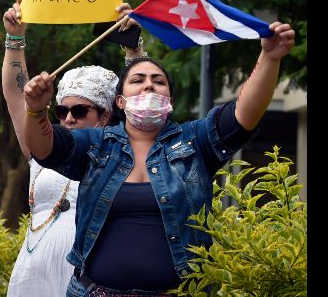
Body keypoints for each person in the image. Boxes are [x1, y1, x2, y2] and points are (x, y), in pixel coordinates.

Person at [20, 18, 296, 297]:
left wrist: (269, 58)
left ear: (170, 100)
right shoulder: (96, 143)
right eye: (137, 80)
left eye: (158, 81)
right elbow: (44, 148)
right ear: (120, 101)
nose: (149, 85)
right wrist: (35, 111)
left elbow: (242, 116)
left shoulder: (194, 142)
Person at [1, 0, 142, 297]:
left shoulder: (121, 152)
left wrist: (133, 49)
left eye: (79, 111)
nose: (67, 118)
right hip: (32, 275)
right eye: (61, 111)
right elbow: (17, 96)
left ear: (105, 115)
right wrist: (15, 38)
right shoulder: (43, 147)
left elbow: (141, 104)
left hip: (92, 279)